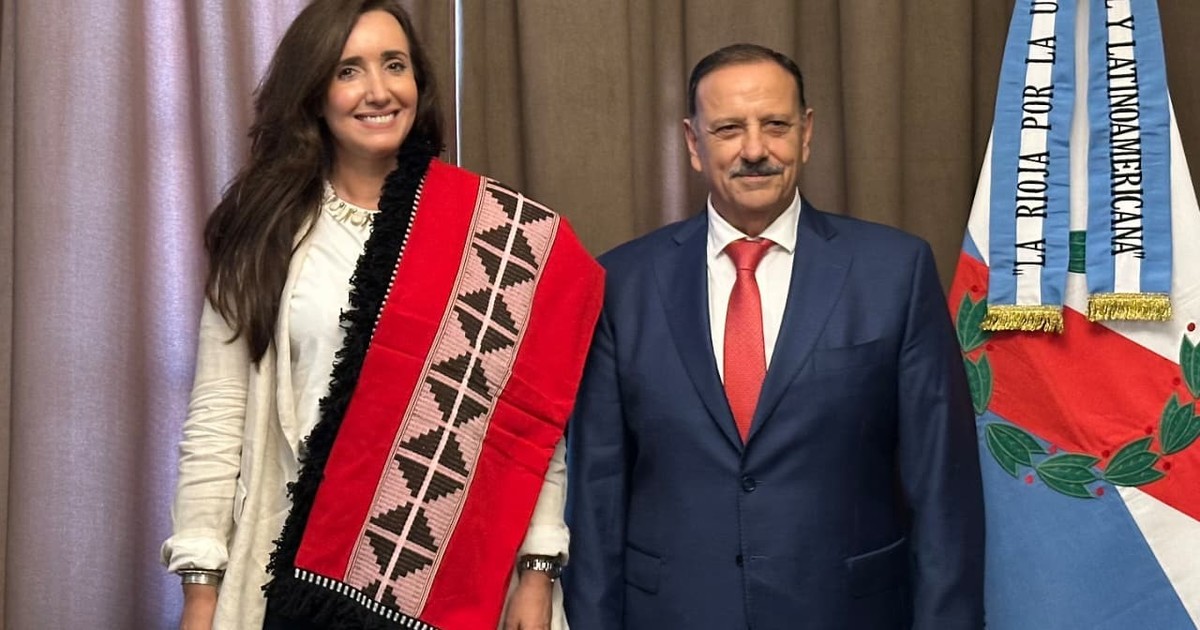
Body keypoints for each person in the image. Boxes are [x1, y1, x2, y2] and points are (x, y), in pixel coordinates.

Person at [160, 1, 603, 628]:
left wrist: (537, 569)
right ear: (314, 92)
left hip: (464, 578)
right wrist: (200, 588)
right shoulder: (264, 235)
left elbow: (531, 422)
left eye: (394, 65)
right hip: (292, 572)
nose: (378, 91)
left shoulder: (493, 236)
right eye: (348, 70)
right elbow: (216, 416)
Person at [564, 43, 984, 629]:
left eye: (776, 126)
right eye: (729, 129)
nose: (755, 150)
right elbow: (597, 491)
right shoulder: (623, 283)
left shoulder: (894, 272)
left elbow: (943, 488)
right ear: (693, 143)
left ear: (806, 133)